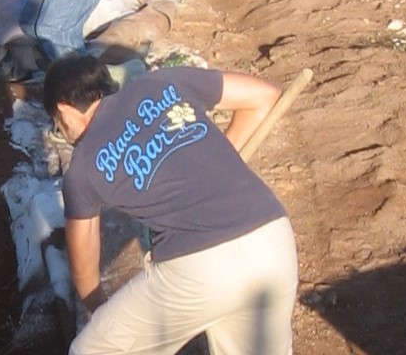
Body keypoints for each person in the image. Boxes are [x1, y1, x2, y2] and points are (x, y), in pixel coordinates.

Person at [44, 55, 296, 355]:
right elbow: (263, 97)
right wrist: (217, 162)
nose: (65, 133)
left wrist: (98, 308)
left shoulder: (83, 167)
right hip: (273, 240)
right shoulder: (161, 82)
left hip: (199, 270)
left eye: (59, 125)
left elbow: (84, 260)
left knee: (94, 350)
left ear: (64, 110)